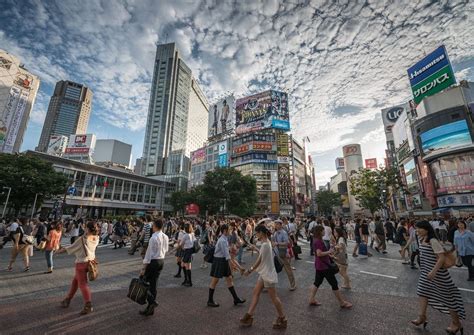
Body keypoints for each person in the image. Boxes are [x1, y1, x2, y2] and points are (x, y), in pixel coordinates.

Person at [411, 220, 465, 334]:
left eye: (419, 228)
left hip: (438, 274)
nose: (417, 230)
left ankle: (456, 323)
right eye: (416, 228)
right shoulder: (422, 239)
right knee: (422, 292)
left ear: (426, 229)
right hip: (426, 273)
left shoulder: (432, 240)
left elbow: (441, 258)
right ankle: (422, 317)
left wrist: (433, 272)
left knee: (448, 297)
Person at [240, 224, 287, 329]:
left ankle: (283, 318)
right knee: (256, 293)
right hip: (265, 273)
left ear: (261, 233)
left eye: (256, 233)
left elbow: (259, 260)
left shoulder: (266, 244)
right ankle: (249, 316)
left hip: (267, 274)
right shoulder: (267, 243)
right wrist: (256, 248)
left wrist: (250, 270)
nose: (256, 235)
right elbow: (262, 255)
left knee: (274, 297)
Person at [57, 221, 99, 315]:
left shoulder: (82, 239)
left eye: (85, 227)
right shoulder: (96, 238)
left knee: (83, 284)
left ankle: (88, 305)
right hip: (90, 262)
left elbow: (70, 248)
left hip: (81, 263)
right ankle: (67, 300)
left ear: (87, 228)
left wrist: (58, 251)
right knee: (75, 281)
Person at [308, 225, 352, 309]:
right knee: (334, 284)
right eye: (323, 230)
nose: (325, 232)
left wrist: (331, 256)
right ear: (320, 232)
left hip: (319, 265)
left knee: (317, 283)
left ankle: (311, 299)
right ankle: (342, 302)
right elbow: (319, 253)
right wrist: (329, 251)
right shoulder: (318, 242)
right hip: (324, 266)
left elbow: (320, 254)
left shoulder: (316, 240)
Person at [207, 224, 246, 307]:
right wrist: (234, 268)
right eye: (229, 230)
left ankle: (236, 299)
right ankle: (210, 300)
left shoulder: (224, 239)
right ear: (225, 230)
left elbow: (227, 256)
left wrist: (234, 266)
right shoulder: (222, 241)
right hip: (219, 261)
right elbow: (227, 257)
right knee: (215, 281)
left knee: (229, 279)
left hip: (221, 260)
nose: (231, 231)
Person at [138, 219, 169, 316]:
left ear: (155, 226)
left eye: (153, 225)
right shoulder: (165, 236)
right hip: (161, 261)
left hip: (153, 261)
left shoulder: (153, 237)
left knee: (143, 282)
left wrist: (143, 268)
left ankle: (152, 302)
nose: (152, 227)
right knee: (154, 284)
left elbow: (148, 254)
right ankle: (150, 309)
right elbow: (166, 249)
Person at [273, 220, 296, 291]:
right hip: (276, 253)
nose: (276, 226)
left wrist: (277, 243)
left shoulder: (283, 233)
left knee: (288, 270)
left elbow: (286, 243)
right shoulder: (275, 233)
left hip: (283, 253)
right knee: (272, 269)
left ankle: (293, 285)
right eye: (275, 224)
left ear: (280, 225)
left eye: (277, 224)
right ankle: (267, 286)